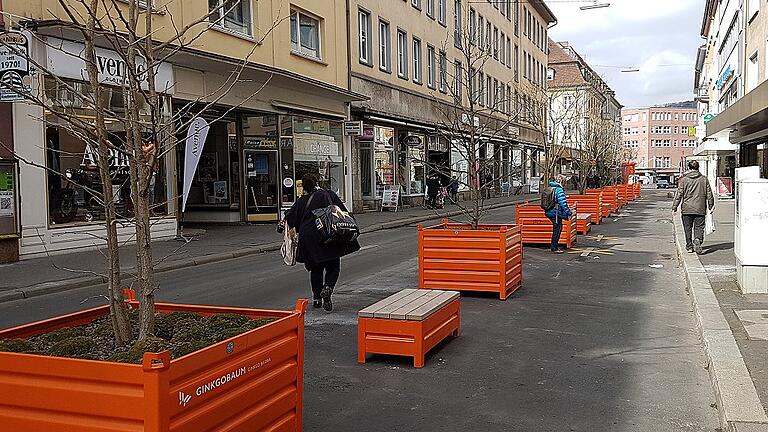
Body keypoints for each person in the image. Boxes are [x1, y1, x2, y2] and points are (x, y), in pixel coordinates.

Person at [285, 173, 360, 311]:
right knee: (333, 266)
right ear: (317, 183)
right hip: (328, 235)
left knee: (316, 268)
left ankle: (317, 299)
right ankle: (328, 288)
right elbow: (342, 212)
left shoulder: (301, 201)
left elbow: (292, 220)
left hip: (309, 239)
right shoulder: (328, 195)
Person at [673, 160, 714, 254]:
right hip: (700, 208)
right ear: (698, 168)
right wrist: (711, 205)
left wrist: (674, 207)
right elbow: (709, 193)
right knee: (699, 227)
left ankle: (689, 246)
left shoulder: (684, 179)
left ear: (689, 168)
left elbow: (679, 194)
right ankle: (698, 239)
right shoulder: (704, 179)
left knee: (687, 228)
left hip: (686, 208)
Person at [544, 176, 572, 254]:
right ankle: (554, 247)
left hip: (549, 211)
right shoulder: (559, 190)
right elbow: (563, 203)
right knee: (557, 229)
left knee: (556, 228)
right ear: (561, 181)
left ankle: (554, 246)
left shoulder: (549, 188)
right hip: (556, 213)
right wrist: (568, 212)